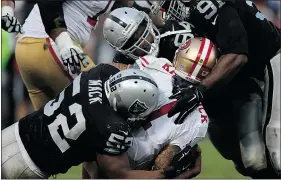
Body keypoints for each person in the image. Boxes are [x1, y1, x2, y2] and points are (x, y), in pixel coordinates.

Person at [159, 0, 281, 178]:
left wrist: (200, 90)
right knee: (253, 160)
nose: (169, 9)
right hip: (254, 74)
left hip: (274, 59)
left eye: (169, 3)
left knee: (275, 144)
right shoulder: (200, 11)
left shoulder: (210, 6)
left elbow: (237, 55)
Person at [83, 37, 216, 179]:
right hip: (130, 167)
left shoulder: (158, 64)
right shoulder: (200, 120)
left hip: (99, 137)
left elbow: (112, 73)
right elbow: (162, 163)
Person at [103, 7, 196, 64]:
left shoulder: (175, 34)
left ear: (146, 24)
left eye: (141, 34)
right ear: (123, 50)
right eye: (131, 42)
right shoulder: (123, 63)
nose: (142, 43)